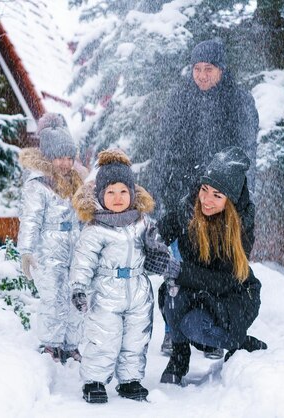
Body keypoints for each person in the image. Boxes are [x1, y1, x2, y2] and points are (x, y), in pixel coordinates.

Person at [147, 38, 260, 357]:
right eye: (197, 69)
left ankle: (214, 328)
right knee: (177, 265)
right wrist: (164, 189)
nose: (201, 75)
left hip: (223, 200)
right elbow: (165, 147)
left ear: (221, 70)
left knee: (218, 266)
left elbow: (245, 149)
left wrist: (233, 191)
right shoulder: (179, 99)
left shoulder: (238, 100)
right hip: (185, 196)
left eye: (208, 69)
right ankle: (175, 332)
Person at [70, 149, 179, 403]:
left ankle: (130, 380)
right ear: (100, 195)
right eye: (110, 192)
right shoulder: (96, 229)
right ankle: (94, 381)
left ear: (132, 193)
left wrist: (164, 262)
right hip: (107, 290)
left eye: (123, 192)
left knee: (136, 338)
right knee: (103, 338)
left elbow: (156, 247)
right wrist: (78, 287)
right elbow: (83, 261)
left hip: (139, 289)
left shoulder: (142, 222)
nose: (118, 198)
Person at [157, 147, 266, 385]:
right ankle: (179, 357)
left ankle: (241, 342)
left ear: (231, 200)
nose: (206, 200)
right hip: (197, 289)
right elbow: (160, 232)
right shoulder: (189, 208)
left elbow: (224, 280)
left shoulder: (241, 225)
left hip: (233, 296)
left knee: (194, 326)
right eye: (204, 189)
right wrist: (150, 245)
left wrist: (179, 270)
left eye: (217, 195)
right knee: (171, 294)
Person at [17, 113, 86, 364]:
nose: (65, 163)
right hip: (48, 250)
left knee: (75, 296)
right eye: (59, 157)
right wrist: (26, 251)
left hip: (74, 247)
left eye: (69, 157)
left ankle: (71, 344)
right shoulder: (39, 185)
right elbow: (31, 220)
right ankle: (50, 343)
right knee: (53, 297)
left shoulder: (76, 182)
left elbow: (85, 215)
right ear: (48, 157)